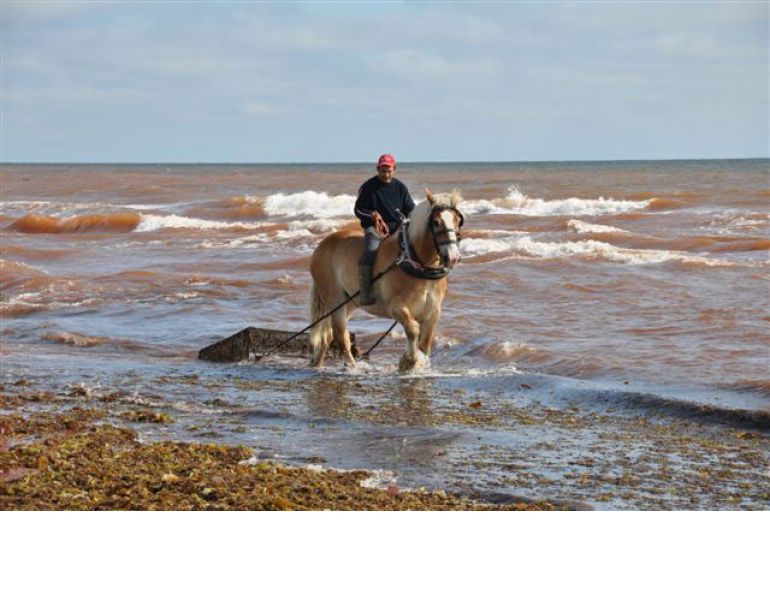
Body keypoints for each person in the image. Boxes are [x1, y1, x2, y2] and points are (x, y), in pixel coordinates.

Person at [354, 154, 415, 305]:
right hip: (374, 228)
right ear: (378, 169)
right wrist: (372, 215)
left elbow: (410, 209)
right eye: (382, 170)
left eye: (389, 170)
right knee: (370, 250)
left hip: (397, 228)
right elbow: (358, 209)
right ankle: (365, 292)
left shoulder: (400, 187)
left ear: (394, 170)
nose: (385, 174)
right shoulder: (368, 186)